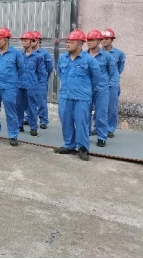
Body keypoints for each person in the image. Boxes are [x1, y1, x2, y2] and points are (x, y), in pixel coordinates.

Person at [54, 30, 101, 161]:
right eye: (67, 42)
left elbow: (96, 78)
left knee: (82, 123)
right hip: (65, 96)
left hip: (82, 98)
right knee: (66, 121)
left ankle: (83, 148)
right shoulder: (63, 58)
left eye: (71, 42)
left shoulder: (89, 60)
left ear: (80, 44)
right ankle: (69, 146)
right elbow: (60, 72)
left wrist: (84, 89)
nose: (67, 44)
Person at [86, 30, 117, 147]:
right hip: (86, 89)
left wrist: (103, 83)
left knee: (101, 114)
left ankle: (101, 137)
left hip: (101, 90)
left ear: (98, 41)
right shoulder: (83, 55)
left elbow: (112, 72)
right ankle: (86, 134)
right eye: (88, 40)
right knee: (85, 113)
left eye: (92, 40)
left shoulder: (107, 56)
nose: (89, 42)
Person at [17, 31, 46, 137]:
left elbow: (41, 72)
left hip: (32, 85)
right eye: (22, 41)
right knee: (19, 106)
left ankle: (33, 127)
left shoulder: (38, 57)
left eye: (25, 41)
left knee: (32, 106)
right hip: (20, 84)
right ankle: (19, 124)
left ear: (31, 41)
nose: (23, 43)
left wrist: (38, 84)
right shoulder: (19, 55)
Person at [101, 28, 126, 138]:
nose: (104, 41)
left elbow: (120, 68)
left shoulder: (119, 53)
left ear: (112, 40)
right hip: (100, 84)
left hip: (112, 84)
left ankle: (110, 129)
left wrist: (113, 77)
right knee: (100, 107)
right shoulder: (98, 52)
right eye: (102, 39)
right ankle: (99, 127)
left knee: (111, 108)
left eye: (107, 39)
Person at [31, 31, 53, 129]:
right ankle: (29, 118)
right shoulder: (28, 53)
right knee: (30, 101)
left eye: (33, 40)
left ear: (38, 41)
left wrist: (44, 77)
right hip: (30, 81)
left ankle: (43, 120)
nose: (31, 42)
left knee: (41, 102)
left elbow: (49, 67)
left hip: (41, 81)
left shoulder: (44, 53)